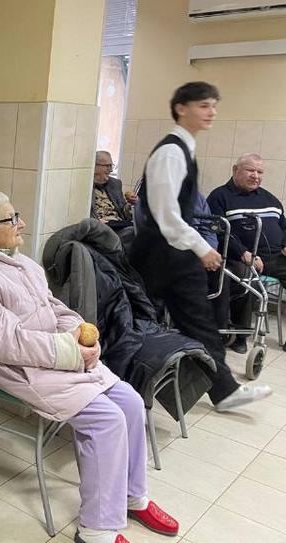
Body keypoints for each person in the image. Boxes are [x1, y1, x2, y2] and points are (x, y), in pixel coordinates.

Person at [0, 192, 179, 543]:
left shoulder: (22, 263)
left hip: (57, 355)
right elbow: (4, 343)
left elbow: (55, 308)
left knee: (132, 403)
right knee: (106, 420)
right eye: (11, 219)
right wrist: (70, 351)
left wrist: (79, 332)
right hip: (16, 367)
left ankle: (132, 496)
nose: (21, 224)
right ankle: (95, 529)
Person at [130, 81, 271, 411]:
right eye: (204, 105)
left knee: (194, 321)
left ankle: (223, 390)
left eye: (213, 106)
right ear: (181, 108)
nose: (212, 112)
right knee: (155, 320)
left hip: (170, 252)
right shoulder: (170, 152)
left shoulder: (184, 148)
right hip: (162, 252)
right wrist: (201, 248)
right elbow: (166, 214)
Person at [207, 153, 286, 352]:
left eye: (260, 172)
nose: (255, 176)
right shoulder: (219, 197)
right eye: (250, 170)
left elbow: (284, 226)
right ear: (235, 170)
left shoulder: (270, 198)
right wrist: (243, 252)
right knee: (243, 275)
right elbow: (219, 231)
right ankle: (238, 337)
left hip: (276, 256)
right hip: (240, 256)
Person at [92, 150, 136, 248]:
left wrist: (130, 204)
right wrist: (95, 221)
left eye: (111, 166)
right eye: (107, 166)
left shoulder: (115, 184)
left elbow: (124, 212)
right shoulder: (85, 186)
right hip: (101, 227)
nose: (111, 170)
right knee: (133, 232)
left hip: (118, 224)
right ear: (95, 166)